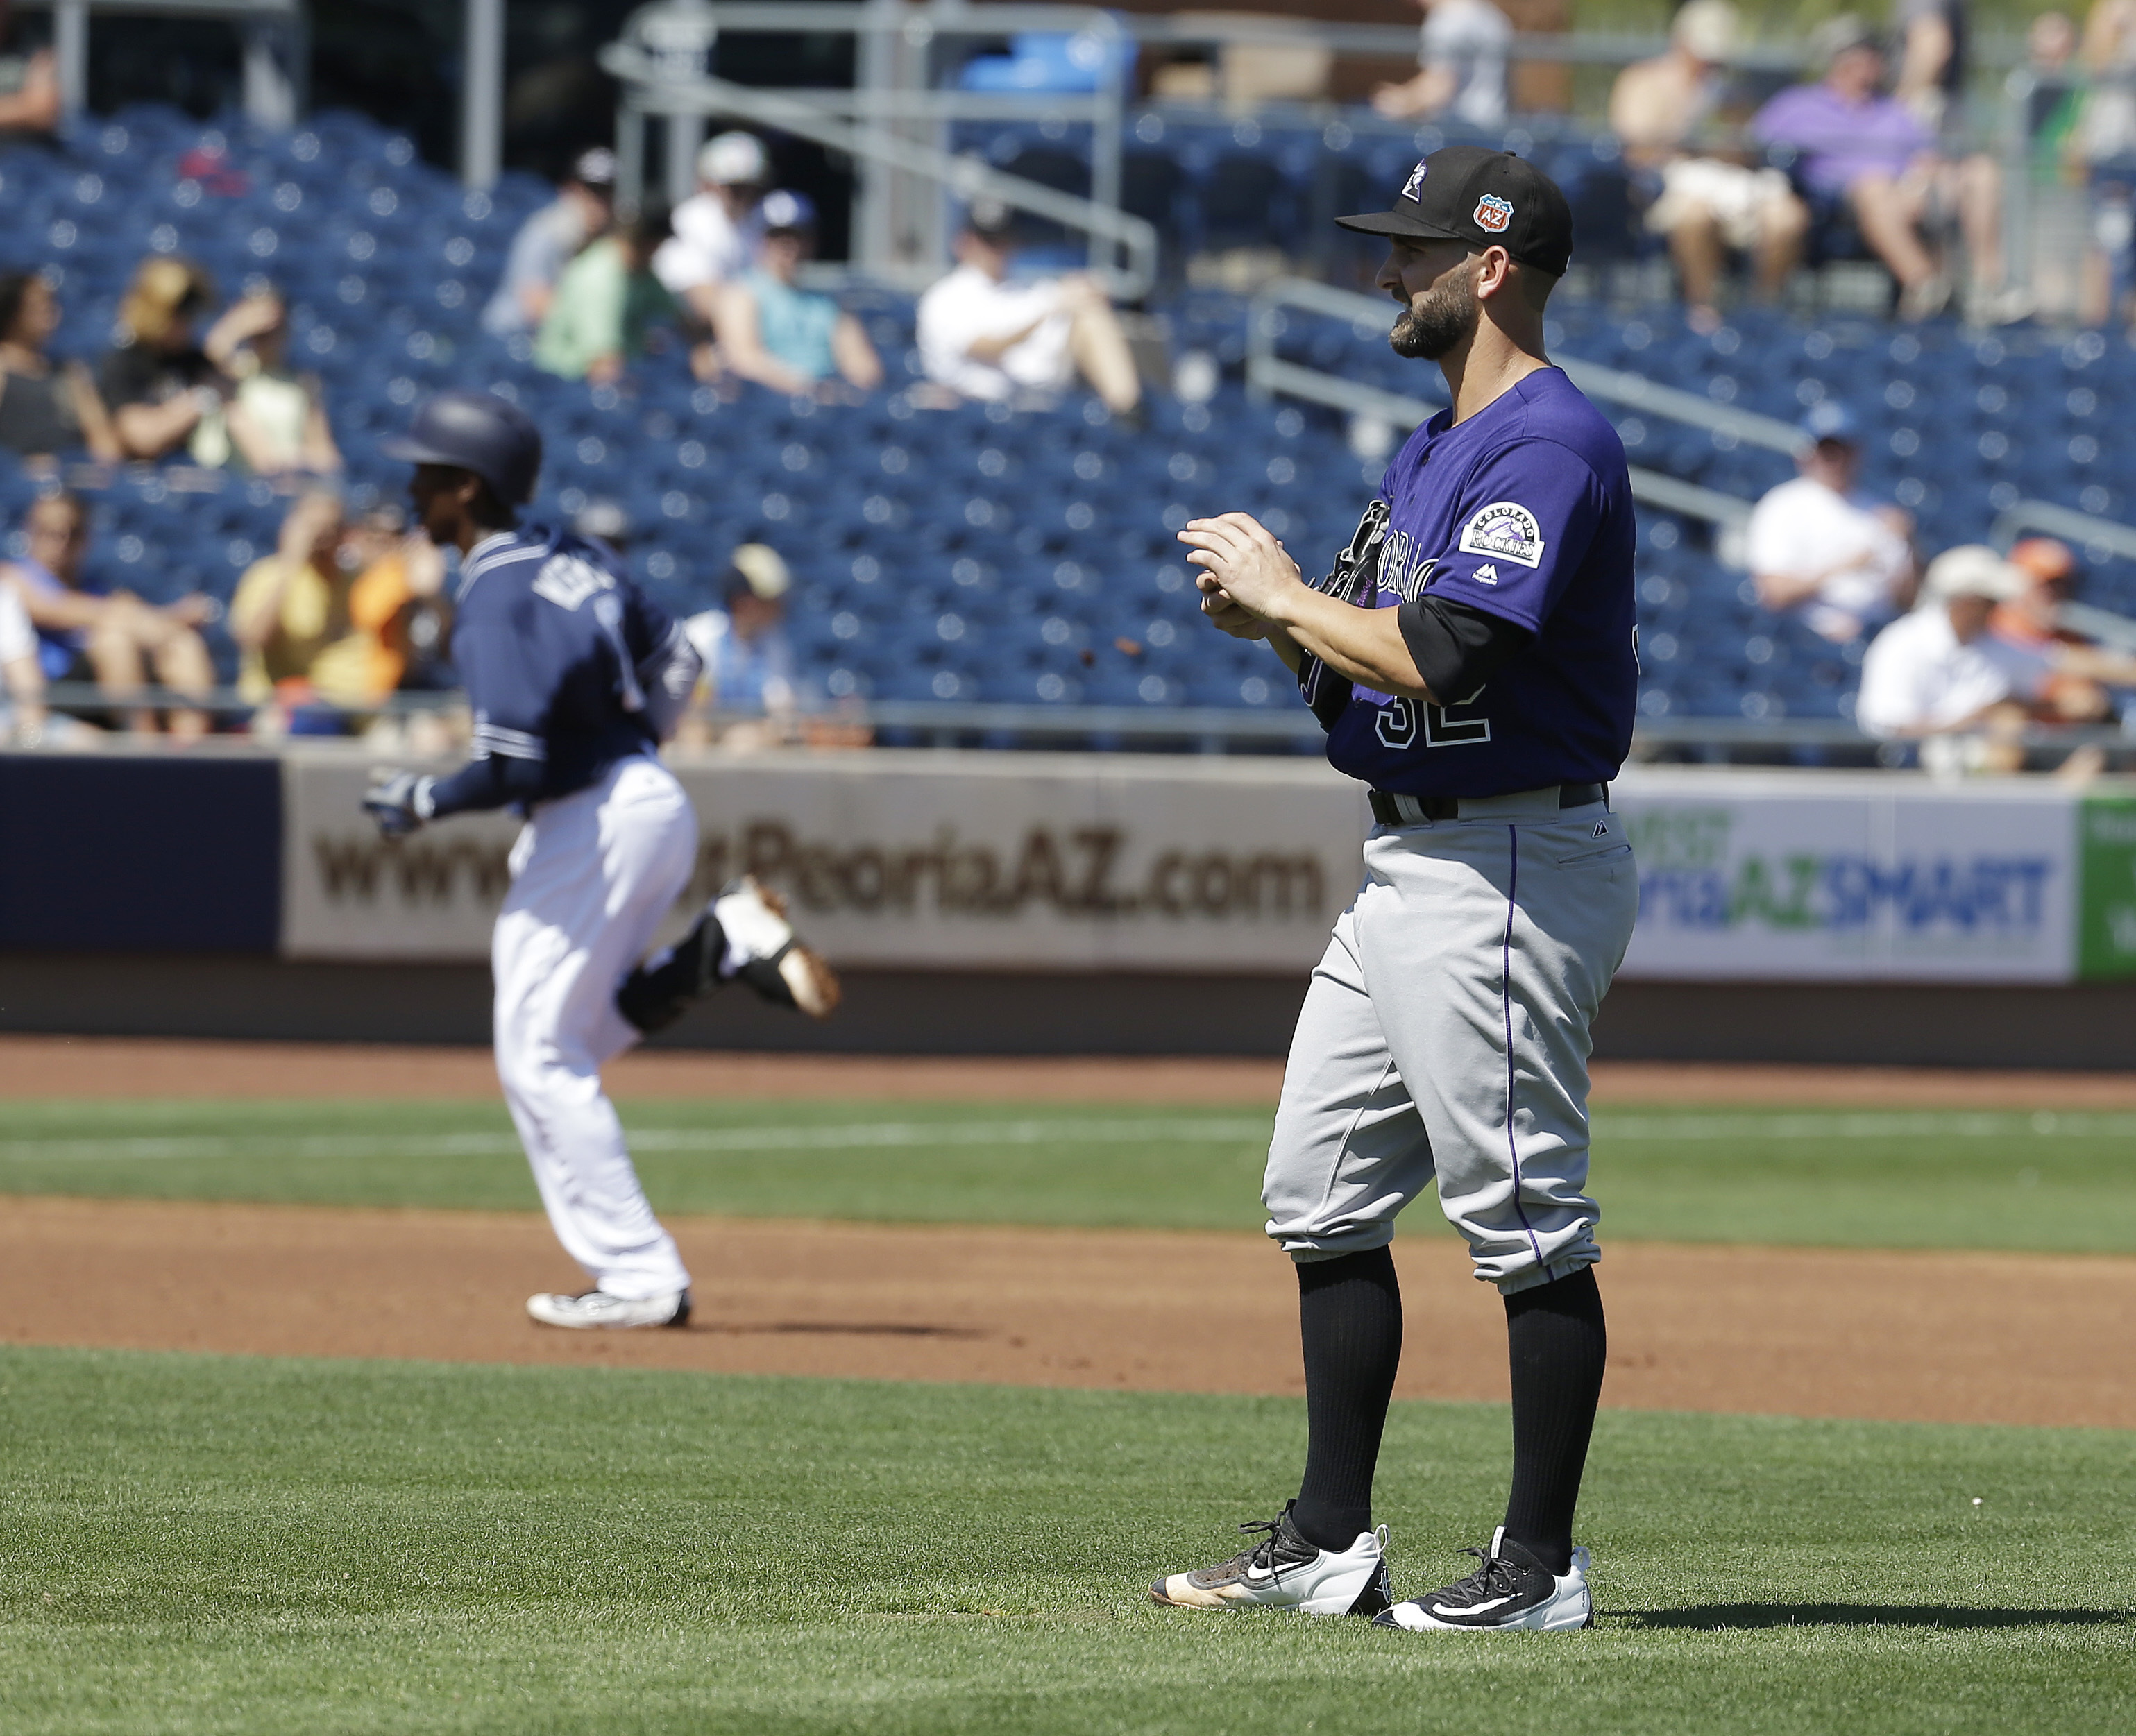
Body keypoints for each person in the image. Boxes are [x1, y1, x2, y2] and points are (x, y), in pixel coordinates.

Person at [1155, 148, 1637, 1633]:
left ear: (1489, 270)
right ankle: (1326, 1542)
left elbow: (1443, 656)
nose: (1386, 271)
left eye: (1413, 253)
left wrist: (1293, 596)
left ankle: (1540, 1568)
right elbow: (1362, 692)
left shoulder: (1547, 443)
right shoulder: (1430, 448)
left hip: (1506, 860)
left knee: (1523, 1216)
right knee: (1319, 1192)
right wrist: (1282, 632)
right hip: (1410, 857)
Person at [359, 389, 842, 1331]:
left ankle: (639, 1274)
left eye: (427, 476)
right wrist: (637, 747)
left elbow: (514, 764)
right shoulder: (572, 556)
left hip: (591, 817)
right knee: (564, 1040)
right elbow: (680, 662)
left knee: (540, 1052)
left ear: (468, 487)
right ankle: (716, 950)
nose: (413, 492)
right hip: (643, 799)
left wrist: (424, 800)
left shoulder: (492, 595)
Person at [1752, 18, 2020, 323]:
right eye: (1859, 56)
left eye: (1873, 56)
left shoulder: (1893, 111)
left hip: (1906, 193)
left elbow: (1926, 156)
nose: (1869, 65)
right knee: (1874, 187)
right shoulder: (1797, 105)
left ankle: (1989, 288)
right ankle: (1926, 287)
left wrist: (1928, 179)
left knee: (1982, 171)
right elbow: (1753, 147)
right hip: (1835, 205)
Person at [1609, 1, 1809, 330]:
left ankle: (1763, 310)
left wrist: (1727, 140)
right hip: (1668, 183)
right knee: (1694, 215)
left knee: (1788, 218)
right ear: (1682, 41)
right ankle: (1704, 311)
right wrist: (1688, 133)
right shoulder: (1643, 80)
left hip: (1734, 181)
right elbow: (1637, 149)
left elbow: (1747, 149)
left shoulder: (1732, 90)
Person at [1, 491, 215, 739]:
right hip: (54, 689)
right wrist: (164, 617)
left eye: (73, 533)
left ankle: (192, 746)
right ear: (30, 532)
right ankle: (144, 749)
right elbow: (55, 610)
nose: (62, 543)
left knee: (183, 641)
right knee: (114, 640)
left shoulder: (96, 588)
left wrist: (163, 626)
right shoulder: (15, 578)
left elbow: (120, 614)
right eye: (50, 533)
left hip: (101, 685)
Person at [915, 204, 1141, 414]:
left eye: (1004, 240)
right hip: (972, 407)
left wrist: (1086, 291)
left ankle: (1128, 414)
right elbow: (984, 348)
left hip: (1036, 403)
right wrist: (1050, 309)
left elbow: (1066, 305)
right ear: (964, 242)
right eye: (990, 241)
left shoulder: (1026, 290)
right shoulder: (945, 296)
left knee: (1091, 315)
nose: (999, 249)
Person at [1746, 402, 1915, 645]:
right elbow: (1774, 593)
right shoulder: (1783, 505)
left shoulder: (1881, 513)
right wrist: (1848, 566)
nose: (1836, 460)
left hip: (1873, 638)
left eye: (1844, 450)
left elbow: (1906, 600)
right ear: (1807, 455)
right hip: (1802, 639)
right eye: (1827, 451)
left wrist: (1910, 545)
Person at [99, 260, 277, 463]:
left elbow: (231, 395)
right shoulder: (126, 362)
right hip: (143, 476)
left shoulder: (192, 360)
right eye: (181, 312)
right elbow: (143, 438)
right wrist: (200, 398)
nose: (189, 321)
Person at [712, 191, 882, 398]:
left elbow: (863, 367)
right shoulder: (740, 293)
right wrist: (808, 388)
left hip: (824, 402)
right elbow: (744, 359)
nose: (788, 244)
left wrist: (842, 392)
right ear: (760, 238)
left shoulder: (828, 305)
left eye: (797, 234)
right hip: (764, 402)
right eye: (777, 235)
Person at [228, 488, 375, 722]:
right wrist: (291, 564)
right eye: (313, 527)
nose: (322, 537)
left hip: (348, 709)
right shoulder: (267, 575)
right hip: (283, 708)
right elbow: (253, 638)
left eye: (331, 528)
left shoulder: (355, 583)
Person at [482, 147, 617, 339]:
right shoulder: (545, 232)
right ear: (569, 190)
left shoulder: (612, 240)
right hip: (512, 337)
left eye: (606, 194)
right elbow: (536, 305)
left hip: (560, 341)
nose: (598, 204)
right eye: (591, 193)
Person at [534, 205, 678, 384]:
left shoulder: (638, 271)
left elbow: (676, 315)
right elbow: (603, 364)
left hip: (613, 370)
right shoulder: (601, 279)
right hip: (567, 381)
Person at [209, 289, 342, 477]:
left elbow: (325, 454)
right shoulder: (232, 372)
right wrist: (236, 326)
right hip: (235, 478)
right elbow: (209, 360)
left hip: (288, 475)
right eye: (260, 332)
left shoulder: (304, 383)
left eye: (274, 329)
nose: (266, 337)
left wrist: (292, 459)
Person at [0, 272, 122, 463]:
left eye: (51, 304)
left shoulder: (70, 373)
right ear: (12, 311)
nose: (50, 312)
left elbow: (104, 444)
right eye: (40, 305)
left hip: (68, 473)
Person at [653, 130, 770, 332]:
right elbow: (702, 303)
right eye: (733, 186)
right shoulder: (694, 219)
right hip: (678, 333)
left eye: (749, 187)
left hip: (734, 329)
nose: (742, 195)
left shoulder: (755, 222)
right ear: (709, 184)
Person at [684, 543, 799, 723]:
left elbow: (781, 705)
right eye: (769, 600)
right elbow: (691, 709)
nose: (779, 607)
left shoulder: (775, 645)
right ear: (742, 601)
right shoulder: (700, 636)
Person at [1372, 0, 1514, 128]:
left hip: (1459, 129)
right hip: (1491, 126)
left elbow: (1439, 87)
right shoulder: (1489, 14)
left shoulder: (1447, 20)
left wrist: (1398, 102)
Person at [0, 577, 44, 742]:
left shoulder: (4, 596)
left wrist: (30, 737)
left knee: (96, 745)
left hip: (8, 721)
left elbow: (27, 687)